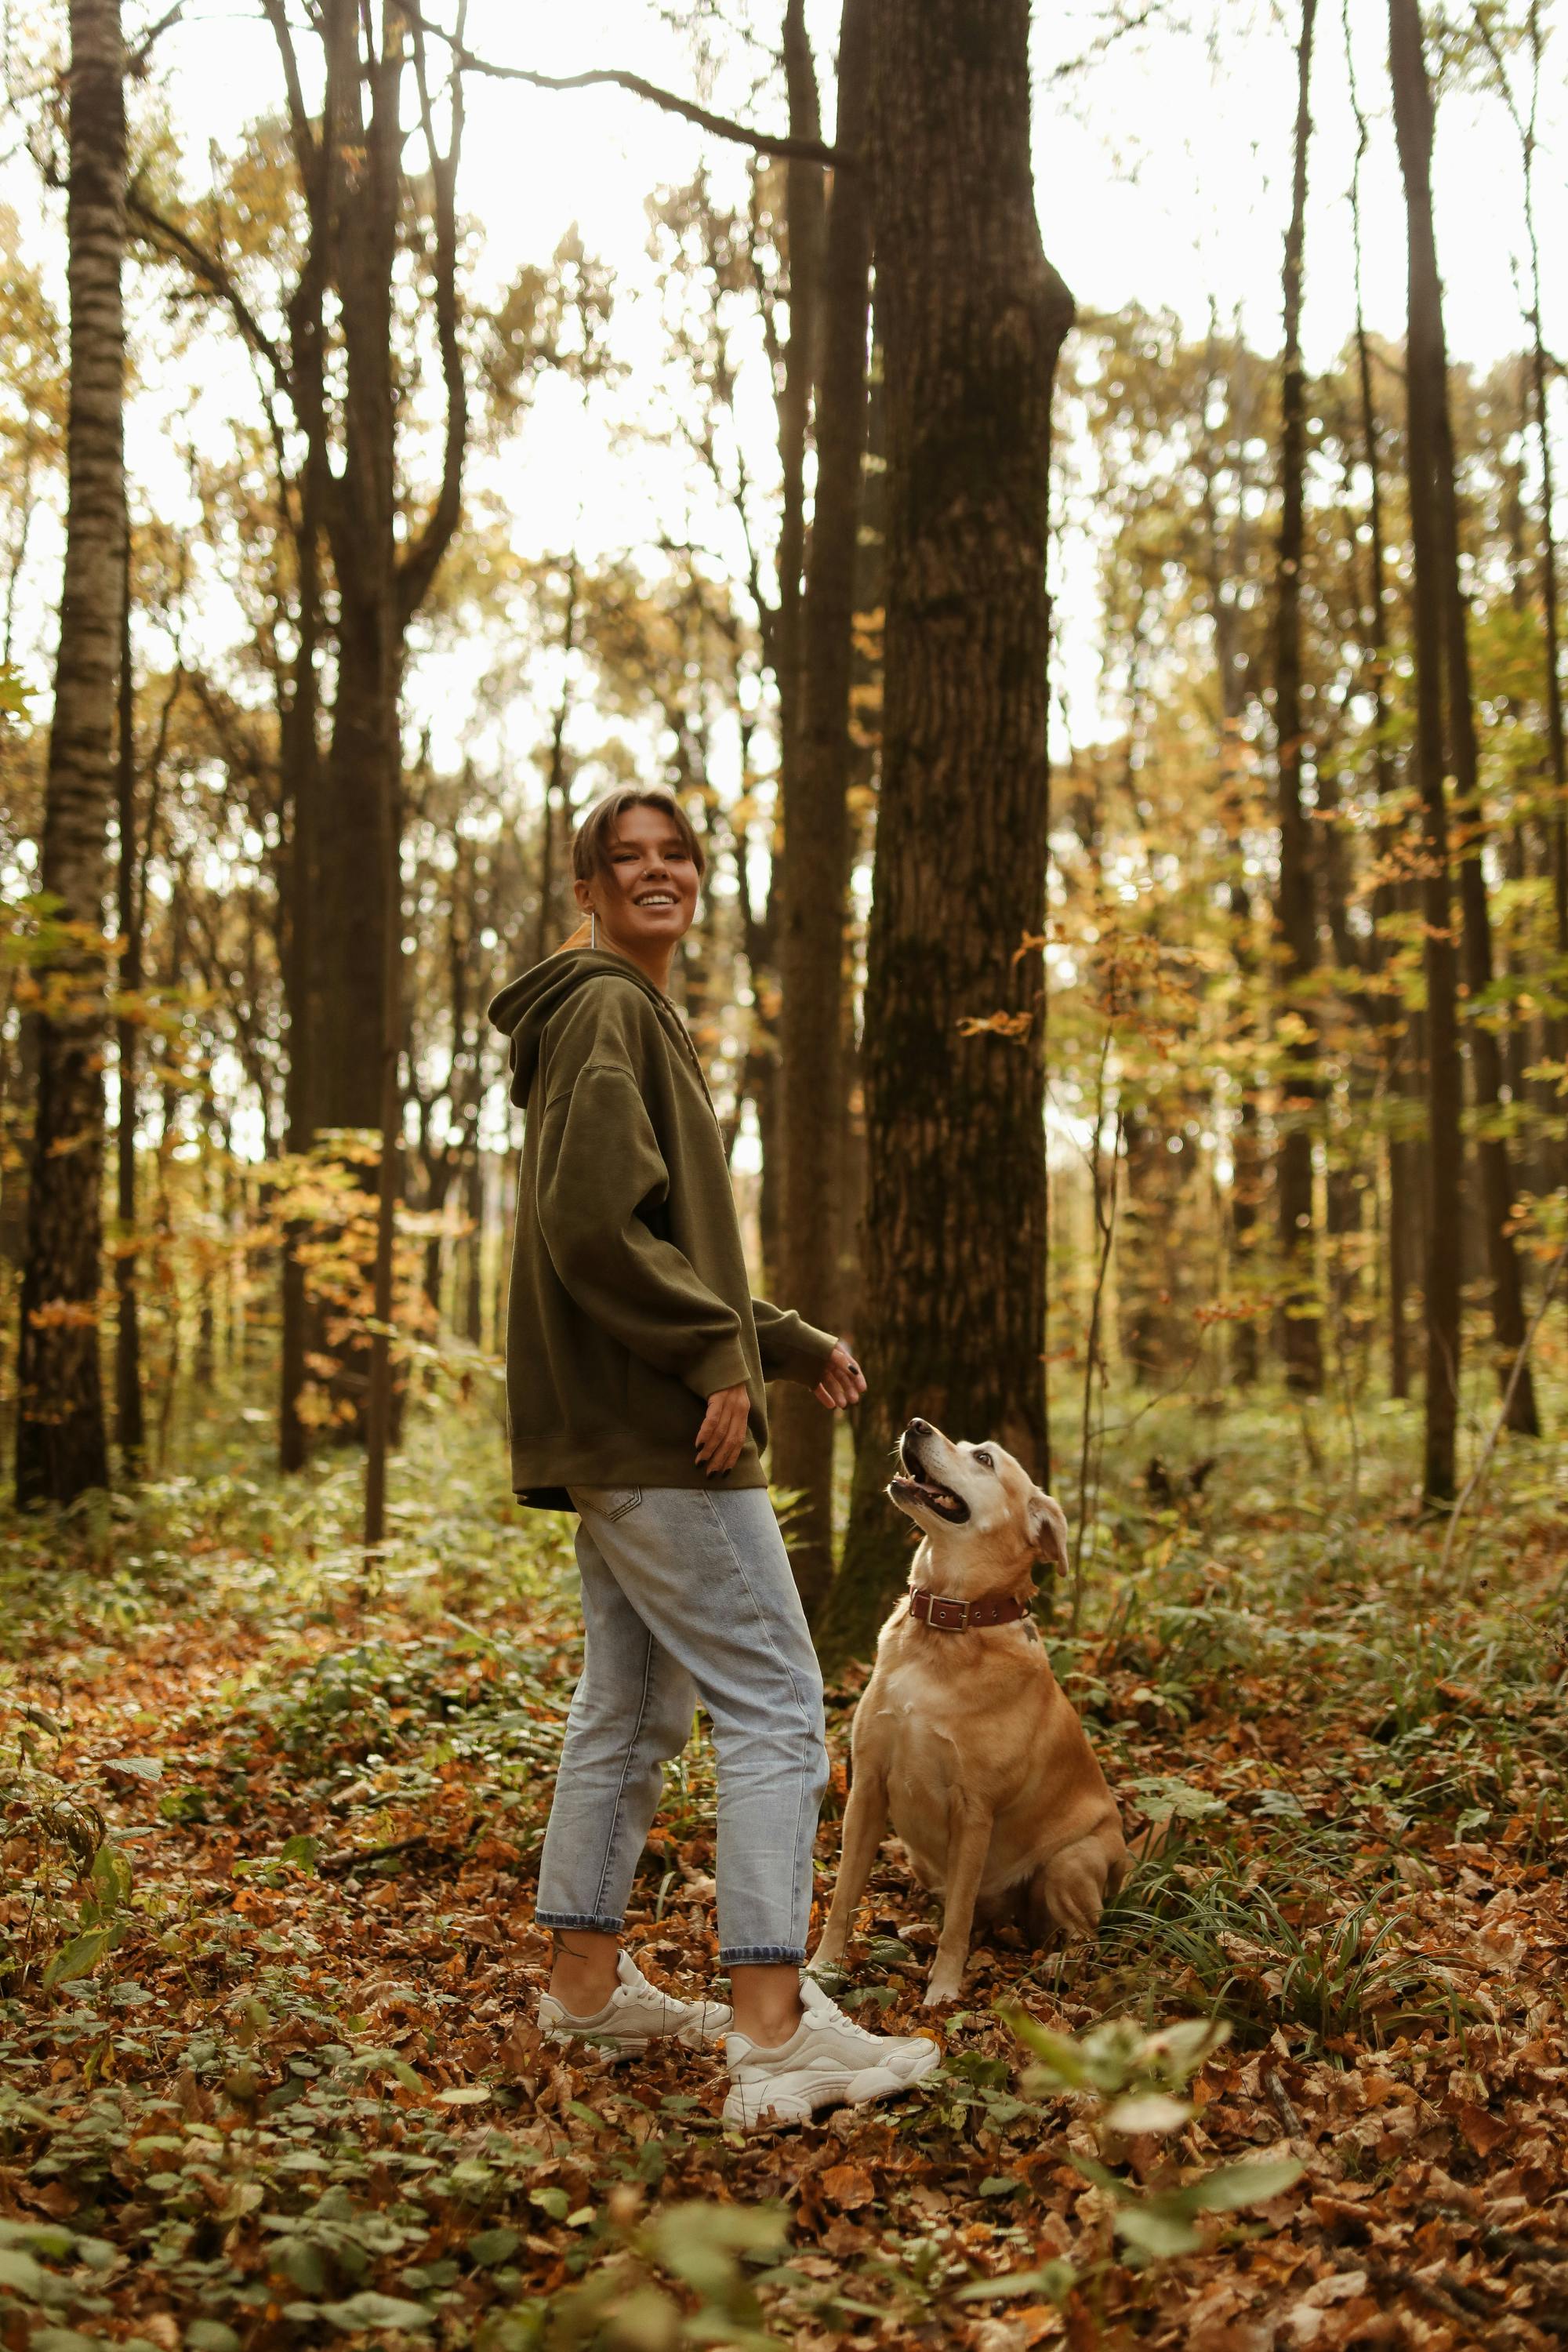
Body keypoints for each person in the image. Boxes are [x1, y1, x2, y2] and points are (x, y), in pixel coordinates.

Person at [488, 784, 938, 2128]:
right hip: (662, 1430)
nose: (655, 872)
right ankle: (773, 2030)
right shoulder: (609, 1010)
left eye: (674, 853)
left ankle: (583, 1990)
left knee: (630, 1707)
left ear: (695, 876)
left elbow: (646, 1239)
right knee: (778, 1699)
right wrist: (712, 1357)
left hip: (625, 1422)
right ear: (587, 890)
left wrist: (776, 1339)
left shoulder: (619, 1015)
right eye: (624, 858)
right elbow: (592, 1227)